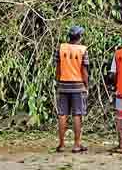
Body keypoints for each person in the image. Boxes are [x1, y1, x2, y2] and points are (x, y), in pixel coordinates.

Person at [54, 25, 89, 153]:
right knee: (77, 114)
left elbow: (58, 68)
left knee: (62, 114)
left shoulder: (61, 48)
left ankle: (62, 144)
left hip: (63, 84)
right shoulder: (83, 50)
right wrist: (86, 85)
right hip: (78, 86)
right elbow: (84, 71)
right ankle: (76, 144)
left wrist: (58, 82)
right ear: (79, 37)